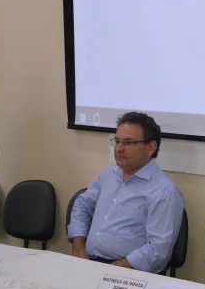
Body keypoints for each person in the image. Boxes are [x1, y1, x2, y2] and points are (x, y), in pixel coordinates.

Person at [68, 112, 184, 274]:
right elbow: (82, 205)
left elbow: (158, 249)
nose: (119, 149)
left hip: (129, 272)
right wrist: (79, 247)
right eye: (117, 141)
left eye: (128, 143)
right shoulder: (109, 174)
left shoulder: (164, 191)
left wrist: (112, 270)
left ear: (150, 147)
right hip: (89, 262)